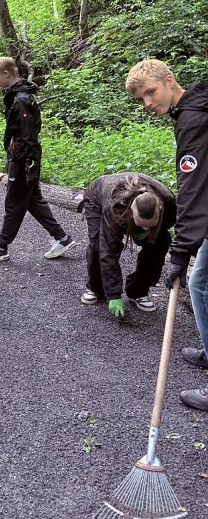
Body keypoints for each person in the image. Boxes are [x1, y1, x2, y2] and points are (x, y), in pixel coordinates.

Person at [126, 59, 208, 412]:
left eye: (151, 92)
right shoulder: (195, 108)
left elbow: (193, 188)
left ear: (170, 81)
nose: (148, 103)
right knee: (200, 283)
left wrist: (181, 249)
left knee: (203, 284)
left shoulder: (193, 120)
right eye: (142, 98)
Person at [0, 57, 78, 264]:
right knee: (32, 199)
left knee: (14, 203)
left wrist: (28, 164)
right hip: (22, 157)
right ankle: (62, 238)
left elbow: (28, 135)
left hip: (23, 160)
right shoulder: (17, 96)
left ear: (6, 74)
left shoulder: (21, 99)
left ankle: (0, 247)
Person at [80, 173, 176, 318]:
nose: (144, 229)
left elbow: (169, 225)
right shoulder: (116, 206)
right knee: (99, 246)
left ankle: (138, 291)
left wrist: (146, 231)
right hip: (97, 199)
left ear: (160, 211)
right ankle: (96, 288)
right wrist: (114, 295)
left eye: (148, 226)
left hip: (143, 211)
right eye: (140, 225)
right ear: (132, 212)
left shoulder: (168, 201)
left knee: (160, 243)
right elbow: (108, 251)